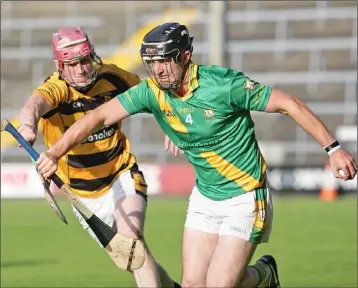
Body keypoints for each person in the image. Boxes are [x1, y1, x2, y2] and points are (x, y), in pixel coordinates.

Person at [34, 22, 357, 288]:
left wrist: (333, 149)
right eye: (152, 63)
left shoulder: (223, 84)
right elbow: (98, 118)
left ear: (185, 56)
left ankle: (263, 275)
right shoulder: (152, 91)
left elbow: (288, 103)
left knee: (219, 285)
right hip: (204, 198)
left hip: (245, 197)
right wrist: (55, 152)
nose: (158, 70)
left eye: (165, 61)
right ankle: (263, 277)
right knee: (191, 285)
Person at [18, 26, 180, 288]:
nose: (83, 68)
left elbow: (154, 95)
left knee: (132, 241)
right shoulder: (56, 89)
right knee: (133, 260)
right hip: (83, 195)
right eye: (74, 63)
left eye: (85, 59)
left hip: (121, 173)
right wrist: (27, 126)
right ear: (61, 65)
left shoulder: (113, 77)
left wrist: (173, 124)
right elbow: (33, 105)